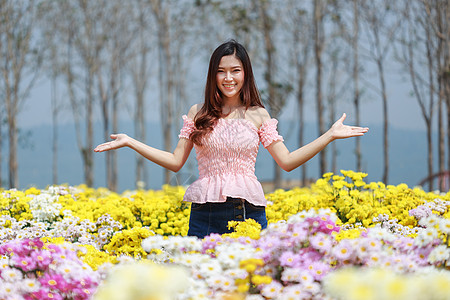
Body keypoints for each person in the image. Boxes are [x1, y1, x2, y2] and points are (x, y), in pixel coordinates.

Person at [94, 39, 369, 239]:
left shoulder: (258, 115)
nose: (228, 78)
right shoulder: (198, 113)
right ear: (213, 75)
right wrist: (131, 141)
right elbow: (176, 161)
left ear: (245, 73)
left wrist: (330, 136)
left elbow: (286, 161)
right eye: (221, 71)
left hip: (246, 211)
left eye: (235, 70)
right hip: (204, 212)